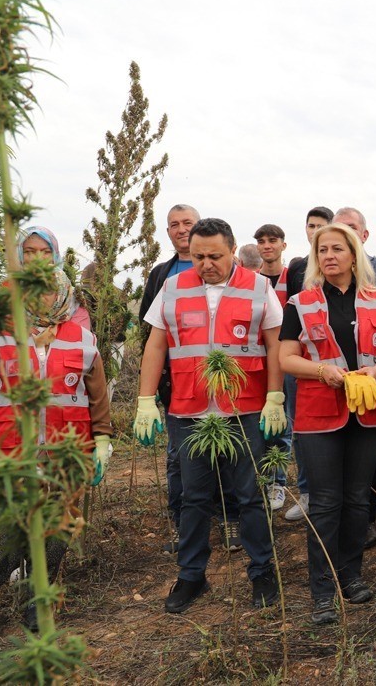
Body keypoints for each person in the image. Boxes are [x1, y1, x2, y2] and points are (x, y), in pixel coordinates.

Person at [135, 218, 286, 614]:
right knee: (193, 496)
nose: (206, 264)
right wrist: (144, 401)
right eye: (199, 256)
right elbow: (156, 346)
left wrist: (275, 396)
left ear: (233, 251)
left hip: (246, 409)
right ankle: (191, 575)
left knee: (250, 494)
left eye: (215, 256)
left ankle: (262, 571)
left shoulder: (258, 287)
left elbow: (275, 345)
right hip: (189, 410)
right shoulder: (171, 287)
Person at [0, 228, 112, 631]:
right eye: (29, 252)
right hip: (7, 449)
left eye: (44, 252)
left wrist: (102, 440)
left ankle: (35, 611)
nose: (37, 260)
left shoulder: (80, 331)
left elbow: (96, 392)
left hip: (65, 449)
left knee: (57, 531)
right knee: (3, 532)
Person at [279, 223, 376, 625]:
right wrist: (321, 371)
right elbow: (286, 358)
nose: (330, 255)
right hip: (319, 412)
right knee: (326, 501)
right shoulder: (299, 302)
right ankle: (322, 589)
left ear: (354, 254)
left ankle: (351, 575)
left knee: (356, 499)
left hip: (369, 409)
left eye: (337, 248)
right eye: (322, 250)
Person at [139, 205, 242, 553]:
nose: (181, 229)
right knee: (181, 460)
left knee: (230, 458)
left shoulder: (242, 280)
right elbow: (152, 335)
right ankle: (184, 527)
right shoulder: (163, 276)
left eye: (187, 223)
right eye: (174, 225)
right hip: (180, 388)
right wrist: (147, 395)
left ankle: (231, 521)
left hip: (232, 391)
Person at [331, 207, 376, 547]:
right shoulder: (321, 272)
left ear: (364, 234)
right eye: (338, 228)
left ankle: (368, 516)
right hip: (329, 385)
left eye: (351, 228)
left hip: (374, 380)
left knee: (366, 456)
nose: (344, 234)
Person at [281, 206, 334, 523]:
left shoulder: (341, 265)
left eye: (321, 226)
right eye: (310, 225)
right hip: (301, 361)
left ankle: (331, 493)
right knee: (299, 427)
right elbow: (291, 314)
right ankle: (307, 493)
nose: (314, 231)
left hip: (335, 361)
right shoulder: (298, 266)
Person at [254, 224, 291, 512]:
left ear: (283, 245)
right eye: (262, 241)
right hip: (260, 362)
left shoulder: (295, 277)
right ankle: (262, 480)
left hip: (290, 360)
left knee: (284, 425)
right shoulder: (251, 283)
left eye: (273, 240)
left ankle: (279, 482)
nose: (267, 245)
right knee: (262, 425)